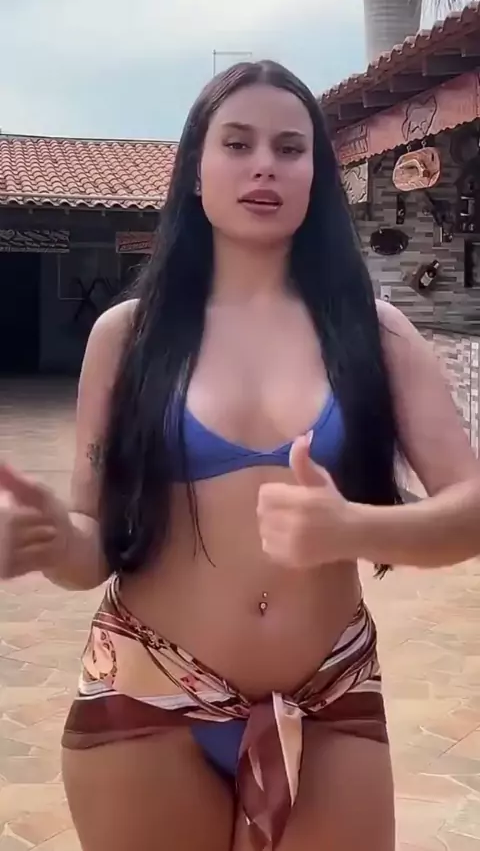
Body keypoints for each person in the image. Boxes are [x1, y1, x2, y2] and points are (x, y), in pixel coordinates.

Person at [1, 60, 480, 851]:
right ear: (196, 170)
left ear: (316, 177)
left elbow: (470, 510)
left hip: (331, 693)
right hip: (149, 692)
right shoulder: (128, 337)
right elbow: (94, 547)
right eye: (237, 143)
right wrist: (55, 540)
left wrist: (354, 528)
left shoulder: (376, 332)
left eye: (290, 148)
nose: (265, 165)